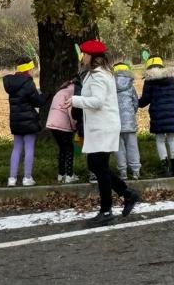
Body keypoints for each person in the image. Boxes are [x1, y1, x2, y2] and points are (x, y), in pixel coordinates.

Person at [71, 40, 139, 226]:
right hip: (100, 127)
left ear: (92, 57)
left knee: (98, 167)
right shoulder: (96, 74)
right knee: (97, 166)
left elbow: (98, 101)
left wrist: (74, 100)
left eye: (84, 54)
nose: (82, 57)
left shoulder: (99, 76)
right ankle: (127, 194)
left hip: (103, 127)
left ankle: (107, 210)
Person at [137, 55, 174, 175]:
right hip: (173, 112)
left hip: (157, 114)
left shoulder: (149, 80)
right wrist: (172, 105)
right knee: (172, 138)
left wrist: (136, 103)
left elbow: (145, 99)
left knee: (160, 139)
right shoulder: (171, 78)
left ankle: (165, 167)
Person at [2, 58, 43, 186]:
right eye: (31, 68)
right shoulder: (28, 83)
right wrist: (45, 96)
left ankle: (12, 178)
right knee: (29, 147)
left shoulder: (10, 84)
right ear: (28, 69)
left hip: (15, 121)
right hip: (29, 120)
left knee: (16, 148)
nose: (32, 70)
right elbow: (37, 101)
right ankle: (27, 178)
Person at [46, 77, 80, 183]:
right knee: (69, 148)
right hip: (63, 123)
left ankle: (61, 174)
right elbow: (71, 110)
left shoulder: (63, 89)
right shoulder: (74, 90)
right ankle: (69, 175)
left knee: (62, 148)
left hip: (52, 123)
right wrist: (75, 126)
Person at [113, 62, 142, 182]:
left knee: (119, 147)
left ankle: (123, 171)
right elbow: (136, 103)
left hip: (115, 122)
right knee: (132, 146)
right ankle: (136, 171)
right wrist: (131, 113)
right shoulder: (131, 86)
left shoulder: (110, 85)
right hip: (129, 121)